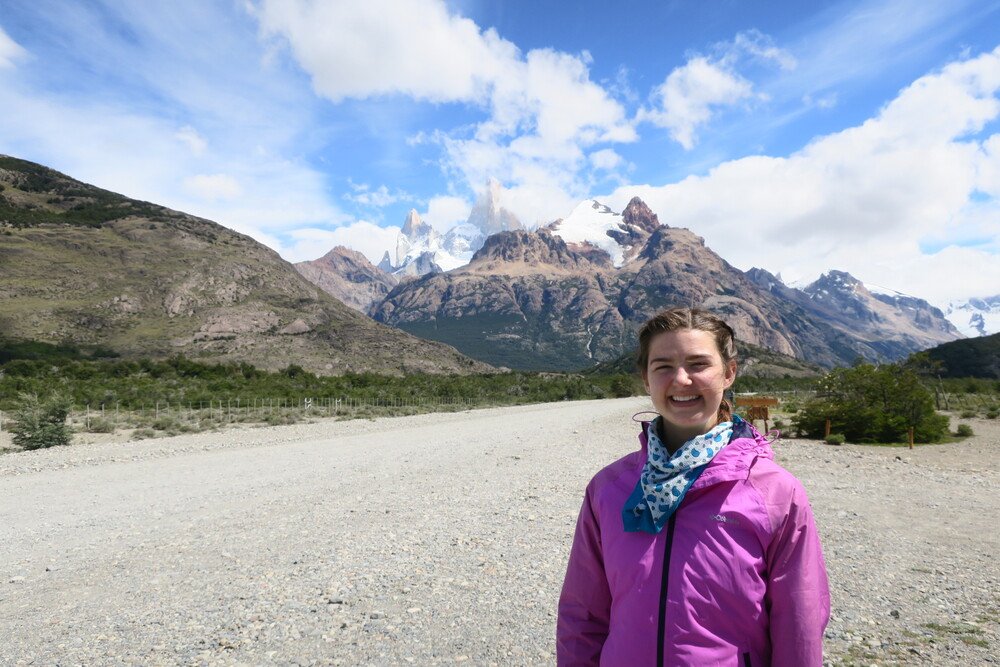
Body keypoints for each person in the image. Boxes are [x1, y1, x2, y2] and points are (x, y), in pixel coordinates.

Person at [557, 308, 830, 666]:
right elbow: (583, 614)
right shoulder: (609, 488)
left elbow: (799, 621)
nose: (681, 380)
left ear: (729, 373)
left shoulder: (775, 492)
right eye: (663, 366)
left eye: (699, 364)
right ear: (646, 378)